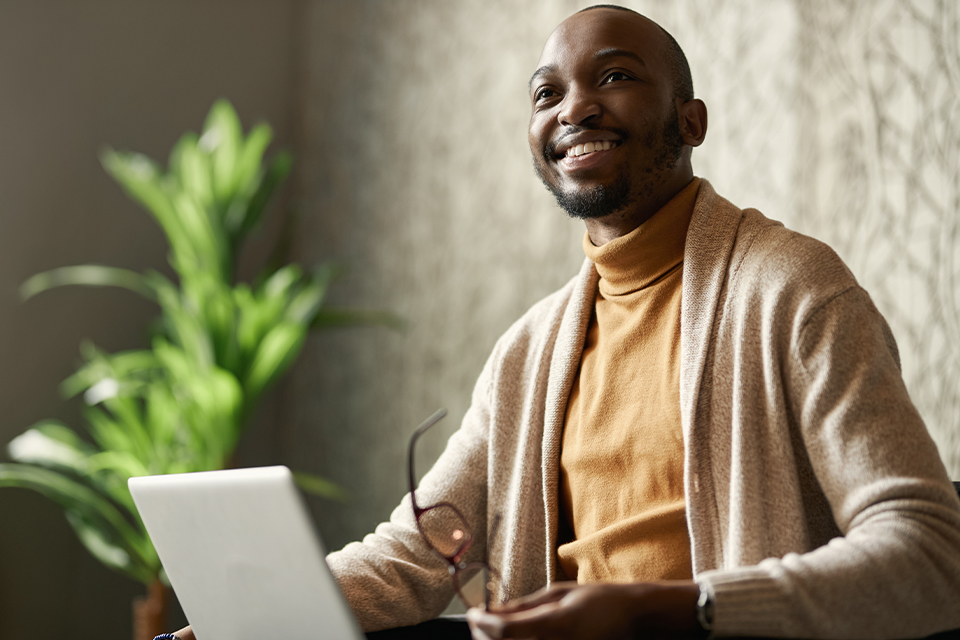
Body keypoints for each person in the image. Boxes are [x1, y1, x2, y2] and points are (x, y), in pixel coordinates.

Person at [169, 5, 960, 639]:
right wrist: (229, 625)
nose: (575, 107)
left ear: (691, 121)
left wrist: (668, 609)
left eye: (613, 77)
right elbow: (414, 557)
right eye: (547, 93)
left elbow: (930, 557)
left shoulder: (792, 289)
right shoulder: (530, 351)